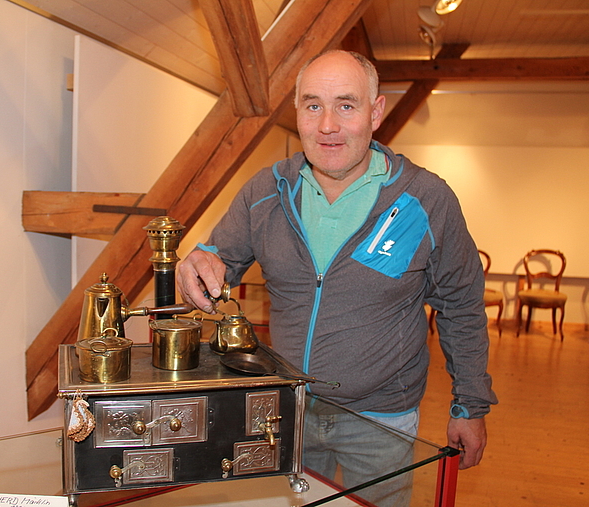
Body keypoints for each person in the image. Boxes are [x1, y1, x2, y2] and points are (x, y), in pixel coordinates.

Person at [176, 50, 497, 505]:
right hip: (289, 415)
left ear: (376, 112)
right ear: (298, 113)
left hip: (382, 422)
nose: (327, 124)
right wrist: (199, 263)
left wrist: (471, 406)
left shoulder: (426, 199)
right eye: (312, 105)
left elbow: (462, 308)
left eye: (346, 105)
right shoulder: (264, 192)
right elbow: (216, 257)